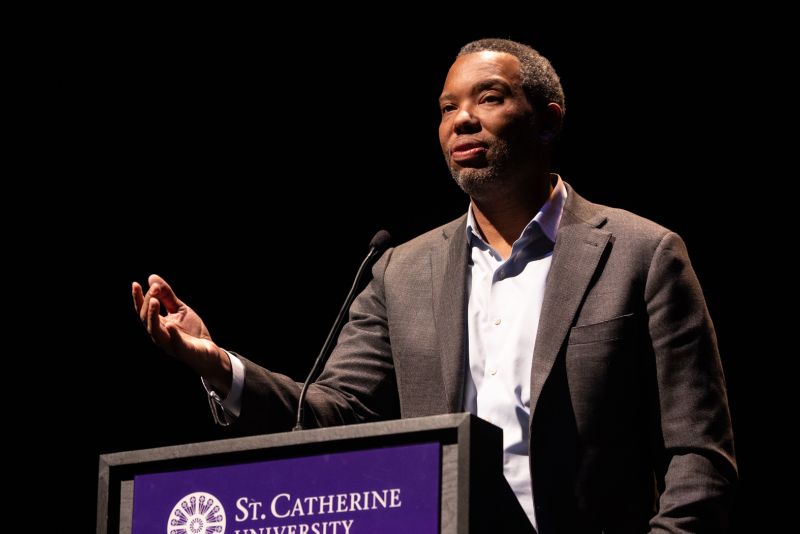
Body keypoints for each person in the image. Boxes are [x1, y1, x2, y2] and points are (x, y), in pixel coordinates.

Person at [132, 38, 736, 533]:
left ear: (549, 119)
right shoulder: (401, 269)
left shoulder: (642, 253)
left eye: (489, 98)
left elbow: (699, 456)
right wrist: (218, 366)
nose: (461, 120)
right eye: (447, 108)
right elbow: (336, 412)